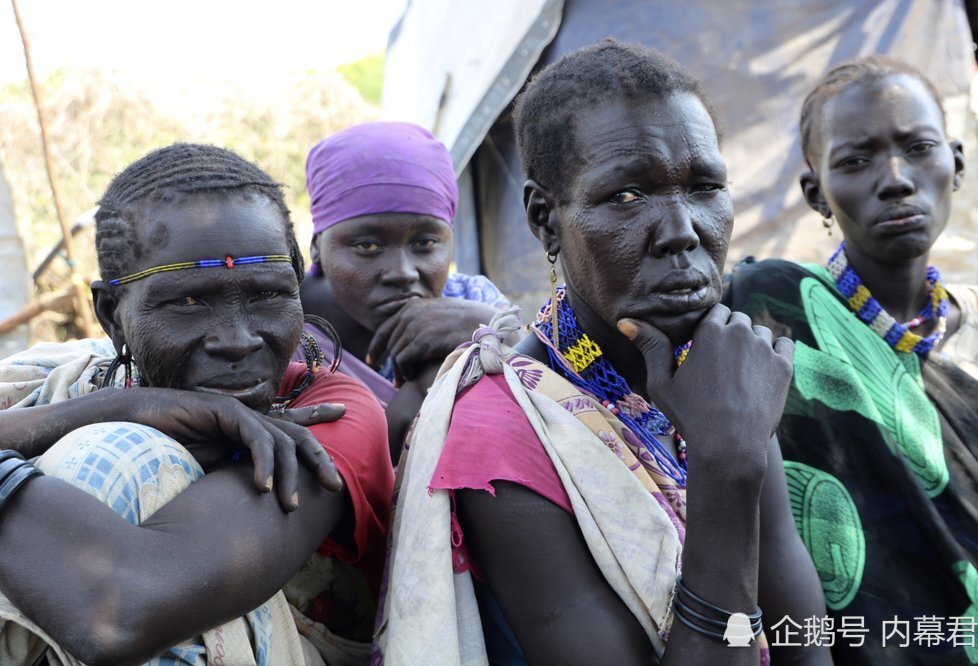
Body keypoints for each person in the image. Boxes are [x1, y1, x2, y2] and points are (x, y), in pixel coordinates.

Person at [376, 40, 831, 665]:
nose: (682, 231)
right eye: (626, 196)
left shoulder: (722, 374)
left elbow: (804, 644)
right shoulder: (503, 431)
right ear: (545, 217)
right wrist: (726, 466)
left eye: (704, 187)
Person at [0, 144, 394, 665]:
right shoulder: (78, 382)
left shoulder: (331, 413)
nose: (236, 340)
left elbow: (119, 612)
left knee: (117, 456)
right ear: (111, 314)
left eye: (267, 296)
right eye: (187, 301)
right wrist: (119, 408)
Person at [725, 55, 978, 665]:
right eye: (855, 160)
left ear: (956, 164)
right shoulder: (769, 310)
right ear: (815, 193)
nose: (896, 178)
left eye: (919, 147)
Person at [298, 121, 511, 463]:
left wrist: (491, 330)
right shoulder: (286, 333)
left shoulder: (474, 302)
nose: (402, 273)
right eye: (367, 245)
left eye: (425, 243)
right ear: (317, 248)